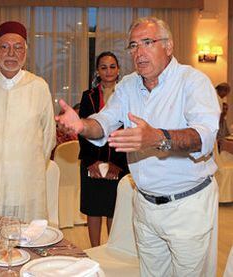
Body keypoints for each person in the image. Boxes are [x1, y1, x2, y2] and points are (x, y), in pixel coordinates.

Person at [56, 17, 219, 276]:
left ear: (168, 46)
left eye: (147, 42)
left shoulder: (193, 81)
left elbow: (205, 136)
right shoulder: (129, 85)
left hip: (187, 206)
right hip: (144, 204)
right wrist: (82, 126)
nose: (139, 52)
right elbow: (105, 121)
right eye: (133, 45)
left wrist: (157, 137)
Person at [0, 21, 56, 222]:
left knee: (27, 241)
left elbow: (48, 138)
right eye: (4, 47)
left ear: (25, 52)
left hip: (27, 182)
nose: (11, 53)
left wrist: (27, 164)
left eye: (18, 47)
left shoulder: (39, 87)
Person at [78, 51, 129, 247]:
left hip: (119, 162)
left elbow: (128, 130)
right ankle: (94, 250)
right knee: (93, 208)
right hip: (92, 162)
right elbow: (82, 130)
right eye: (103, 67)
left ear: (118, 70)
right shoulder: (88, 96)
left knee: (113, 208)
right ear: (97, 71)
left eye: (112, 66)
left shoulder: (127, 95)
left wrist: (117, 164)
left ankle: (112, 249)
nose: (108, 71)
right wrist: (91, 162)